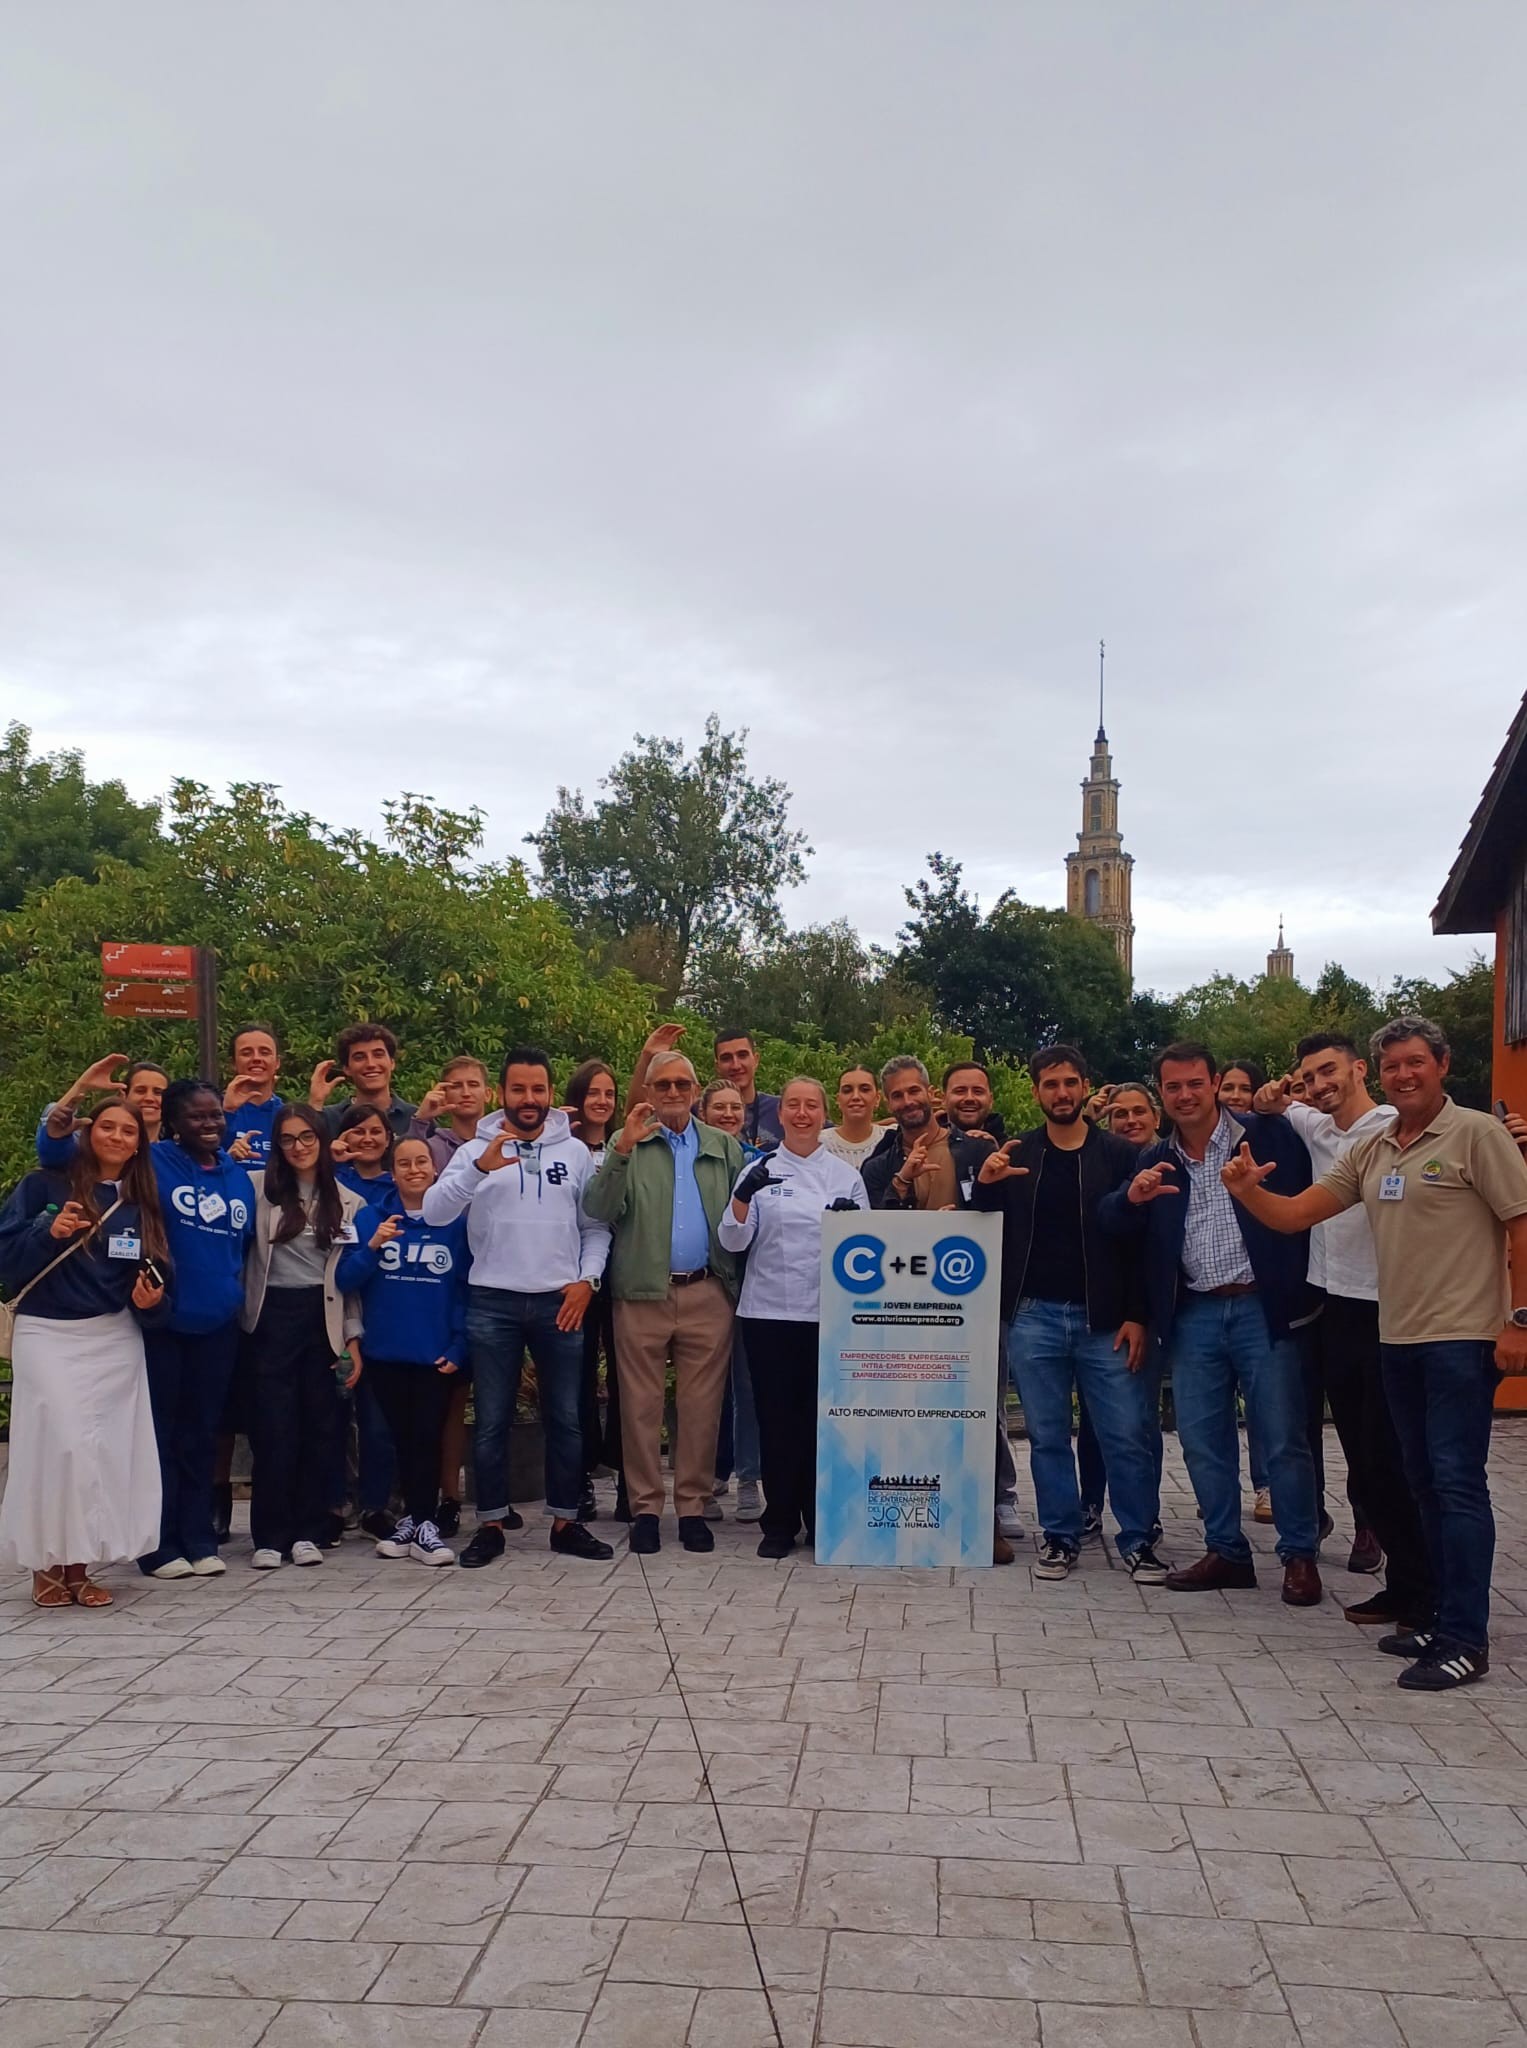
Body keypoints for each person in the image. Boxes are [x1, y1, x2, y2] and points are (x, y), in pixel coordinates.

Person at [1224, 1015, 1527, 1689]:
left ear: (1440, 1064)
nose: (1403, 1074)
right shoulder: (1376, 1147)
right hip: (1397, 1339)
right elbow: (1299, 1211)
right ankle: (1434, 1612)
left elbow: (1520, 1222)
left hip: (1461, 1339)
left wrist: (1518, 1322)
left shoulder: (1475, 1133)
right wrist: (1247, 1192)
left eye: (1414, 1062)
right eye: (1393, 1065)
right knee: (1418, 1485)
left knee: (1456, 1487)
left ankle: (1462, 1638)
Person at [1100, 1041, 1323, 1606]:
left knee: (1283, 1440)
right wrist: (1132, 1198)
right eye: (1172, 1087)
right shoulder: (1158, 1160)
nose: (1184, 1095)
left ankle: (1299, 1555)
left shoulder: (1267, 1135)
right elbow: (1110, 1220)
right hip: (1194, 1312)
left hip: (1261, 1308)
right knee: (1202, 1441)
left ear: (1215, 1081)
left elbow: (1322, 1189)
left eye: (1194, 1083)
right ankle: (1226, 1549)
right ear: (1162, 1095)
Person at [972, 1046, 1164, 1583]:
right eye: (1050, 1084)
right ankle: (1059, 1536)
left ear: (1085, 1088)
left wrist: (1136, 1313)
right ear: (1036, 1091)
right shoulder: (1018, 1154)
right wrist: (986, 1186)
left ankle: (1138, 1539)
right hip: (1033, 1316)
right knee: (1047, 1434)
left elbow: (1140, 1241)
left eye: (1070, 1083)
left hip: (1105, 1318)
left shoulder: (1120, 1156)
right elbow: (982, 1230)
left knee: (1125, 1433)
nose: (1061, 1093)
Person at [423, 1046, 613, 1568]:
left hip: (560, 1301)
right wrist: (479, 1169)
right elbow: (435, 1212)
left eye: (537, 1089)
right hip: (493, 1300)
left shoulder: (573, 1151)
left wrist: (587, 1281)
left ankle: (565, 1522)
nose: (528, 1100)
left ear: (550, 1094)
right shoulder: (474, 1150)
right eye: (518, 1090)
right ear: (501, 1094)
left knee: (567, 1419)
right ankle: (489, 1524)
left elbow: (595, 1227)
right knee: (489, 1421)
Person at [1255, 1041, 1425, 1603]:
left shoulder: (1393, 1127)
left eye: (1330, 1070)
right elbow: (1271, 1103)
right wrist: (1274, 1095)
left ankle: (1425, 1583)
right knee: (1363, 1453)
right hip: (1335, 1305)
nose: (1320, 1083)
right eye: (1309, 1075)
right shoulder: (1318, 1124)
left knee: (1395, 1455)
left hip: (1391, 1304)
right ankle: (1405, 1586)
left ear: (1358, 1070)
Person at [0, 1102, 168, 1608]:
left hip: (114, 1337)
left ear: (140, 1143)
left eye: (129, 1130)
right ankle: (44, 1564)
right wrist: (47, 1233)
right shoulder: (44, 1185)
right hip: (49, 1333)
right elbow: (6, 1261)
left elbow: (159, 1275)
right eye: (108, 1127)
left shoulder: (141, 1203)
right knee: (61, 1445)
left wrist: (153, 1301)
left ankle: (80, 1566)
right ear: (88, 1134)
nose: (117, 1136)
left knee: (103, 1453)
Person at [584, 1050, 745, 1554]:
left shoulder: (724, 1145)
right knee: (639, 1407)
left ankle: (694, 1507)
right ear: (649, 1093)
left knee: (701, 1407)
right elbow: (598, 1208)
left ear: (696, 1091)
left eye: (682, 1085)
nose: (673, 1093)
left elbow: (745, 1216)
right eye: (663, 1086)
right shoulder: (626, 1140)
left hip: (707, 1290)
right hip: (641, 1292)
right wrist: (623, 1151)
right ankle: (646, 1509)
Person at [863, 1055, 1022, 1562]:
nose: (907, 1102)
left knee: (980, 1405)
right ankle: (919, 1507)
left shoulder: (974, 1148)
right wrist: (903, 1184)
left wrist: (967, 1217)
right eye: (897, 1095)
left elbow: (1003, 1211)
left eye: (914, 1092)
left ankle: (994, 1503)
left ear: (930, 1095)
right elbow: (874, 1228)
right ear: (888, 1103)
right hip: (906, 1306)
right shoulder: (879, 1161)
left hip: (974, 1298)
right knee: (916, 1407)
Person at [718, 1077, 867, 1557]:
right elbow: (732, 1242)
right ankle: (779, 1522)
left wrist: (851, 1225)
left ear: (824, 1114)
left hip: (830, 1316)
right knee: (777, 1422)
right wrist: (743, 1197)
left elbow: (867, 1251)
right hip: (769, 1315)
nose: (802, 1114)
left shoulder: (845, 1176)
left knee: (823, 1423)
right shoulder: (758, 1171)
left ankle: (822, 1517)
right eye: (792, 1106)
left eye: (811, 1106)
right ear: (779, 1114)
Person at [137, 1079, 257, 1581]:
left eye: (216, 1116)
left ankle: (199, 1537)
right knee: (161, 1436)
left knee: (202, 1437)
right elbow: (71, 1156)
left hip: (218, 1327)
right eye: (196, 1117)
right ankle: (158, 1544)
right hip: (165, 1323)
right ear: (172, 1123)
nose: (209, 1124)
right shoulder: (153, 1162)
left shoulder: (237, 1176)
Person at [242, 1105, 366, 1568]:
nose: (299, 1147)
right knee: (274, 1428)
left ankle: (310, 1530)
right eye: (289, 1139)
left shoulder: (348, 1201)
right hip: (270, 1316)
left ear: (321, 1140)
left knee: (323, 1426)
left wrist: (353, 1338)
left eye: (307, 1137)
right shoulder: (257, 1190)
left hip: (324, 1319)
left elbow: (349, 1280)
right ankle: (270, 1536)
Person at [336, 1137, 469, 1566]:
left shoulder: (454, 1222)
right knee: (395, 1440)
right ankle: (413, 1519)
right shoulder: (372, 1217)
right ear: (393, 1172)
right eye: (404, 1163)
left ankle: (425, 1522)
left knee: (427, 1438)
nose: (414, 1169)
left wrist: (459, 1343)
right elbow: (344, 1280)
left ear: (435, 1170)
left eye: (422, 1162)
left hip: (433, 1354)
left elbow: (466, 1290)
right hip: (383, 1354)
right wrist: (374, 1245)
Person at [698, 1082, 763, 1524]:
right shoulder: (690, 1157)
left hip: (749, 1288)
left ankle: (748, 1480)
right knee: (702, 1392)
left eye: (734, 1107)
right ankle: (702, 1481)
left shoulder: (761, 1161)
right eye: (718, 1107)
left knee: (746, 1390)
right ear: (702, 1112)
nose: (727, 1113)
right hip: (702, 1284)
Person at [564, 1058, 625, 1520]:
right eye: (593, 1094)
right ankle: (579, 1477)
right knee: (577, 1380)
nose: (601, 1101)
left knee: (628, 1382)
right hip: (576, 1280)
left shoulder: (630, 1145)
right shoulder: (560, 1150)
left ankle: (628, 1477)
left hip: (625, 1277)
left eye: (608, 1094)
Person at [39, 1056, 169, 1156]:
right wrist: (82, 1085)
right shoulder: (95, 1144)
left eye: (158, 1093)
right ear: (123, 1095)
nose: (149, 1098)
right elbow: (51, 1140)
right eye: (140, 1091)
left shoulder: (176, 1156)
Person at [309, 1023, 416, 1139]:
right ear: (347, 1068)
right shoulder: (329, 1118)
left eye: (378, 1055)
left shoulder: (416, 1117)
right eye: (359, 1057)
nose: (370, 1064)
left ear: (392, 1063)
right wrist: (315, 1102)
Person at [408, 1056, 494, 1175]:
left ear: (487, 1094)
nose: (466, 1093)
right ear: (444, 1094)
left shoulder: (503, 1143)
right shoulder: (434, 1148)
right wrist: (421, 1119)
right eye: (456, 1086)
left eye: (473, 1085)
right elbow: (407, 1168)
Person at [222, 1023, 284, 1165]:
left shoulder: (287, 1115)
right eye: (246, 1053)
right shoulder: (213, 1112)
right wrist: (228, 1112)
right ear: (233, 1063)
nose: (256, 1058)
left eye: (264, 1052)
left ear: (277, 1062)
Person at [713, 1030, 783, 1151]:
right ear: (717, 1066)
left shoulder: (781, 1108)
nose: (736, 1065)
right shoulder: (702, 1111)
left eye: (742, 1055)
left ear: (755, 1060)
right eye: (726, 1058)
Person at [821, 1066, 885, 1171]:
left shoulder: (892, 1140)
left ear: (877, 1098)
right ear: (838, 1100)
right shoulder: (819, 1143)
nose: (856, 1096)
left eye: (864, 1090)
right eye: (847, 1090)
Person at [943, 1061, 1006, 1143]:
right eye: (960, 1091)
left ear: (990, 1100)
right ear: (943, 1099)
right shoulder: (926, 1146)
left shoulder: (1015, 1151)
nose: (970, 1098)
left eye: (978, 1091)